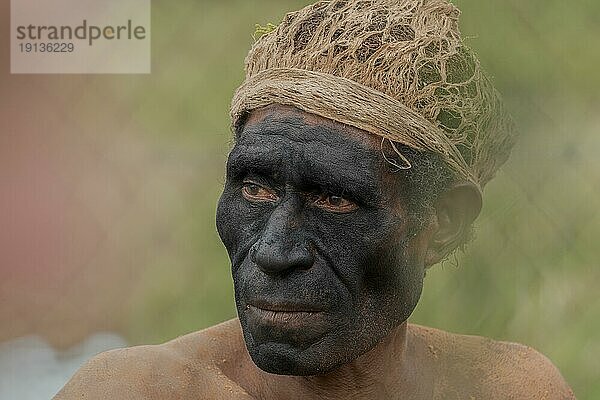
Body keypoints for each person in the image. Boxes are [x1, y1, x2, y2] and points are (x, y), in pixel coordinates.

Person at [54, 0, 575, 398]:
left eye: (333, 200)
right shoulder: (139, 392)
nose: (275, 252)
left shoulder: (508, 388)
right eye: (255, 188)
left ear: (441, 222)